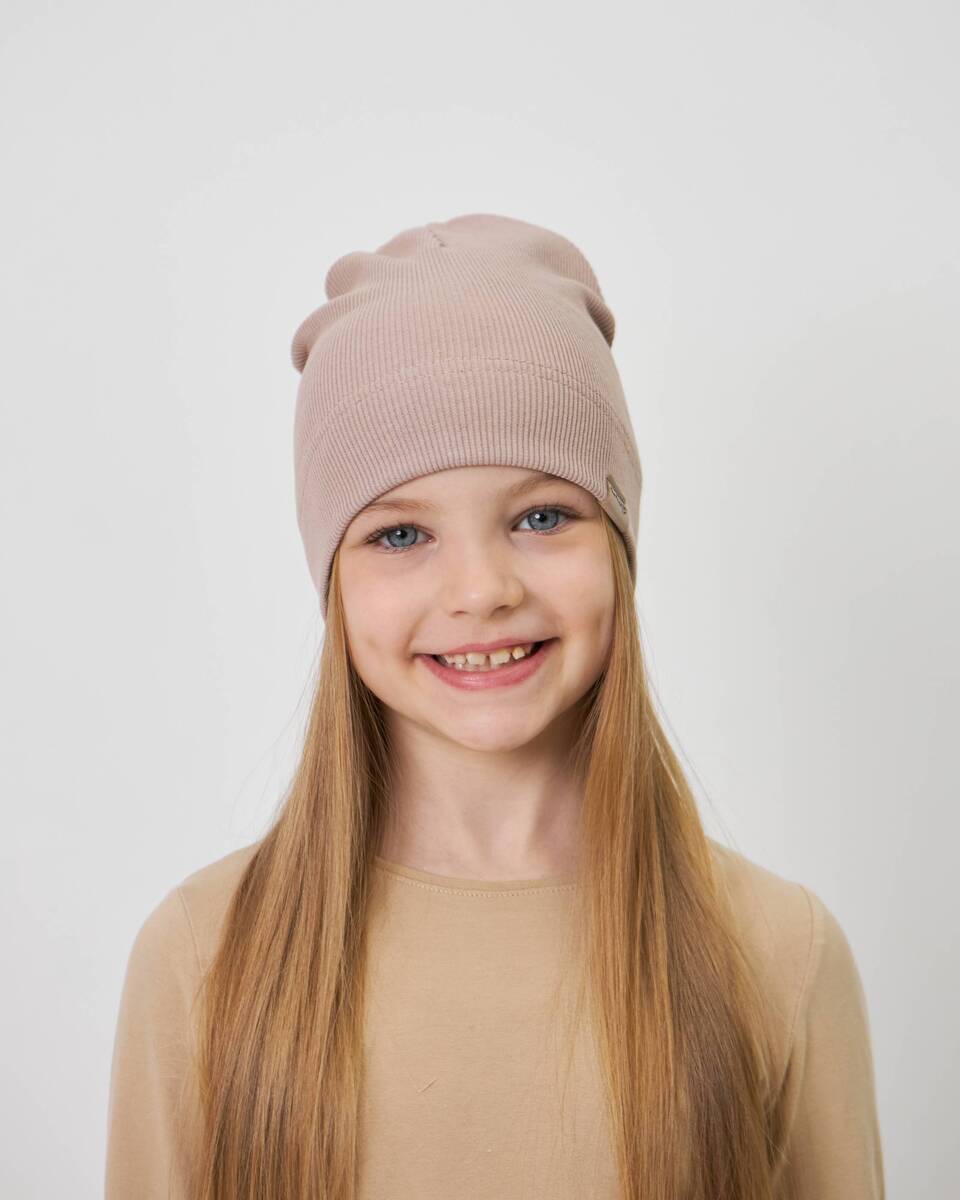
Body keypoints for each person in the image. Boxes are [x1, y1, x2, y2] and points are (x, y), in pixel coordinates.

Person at [104, 213, 886, 1199]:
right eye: (399, 535)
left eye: (542, 516)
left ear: (619, 547)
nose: (480, 591)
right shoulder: (204, 958)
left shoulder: (778, 954)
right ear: (333, 579)